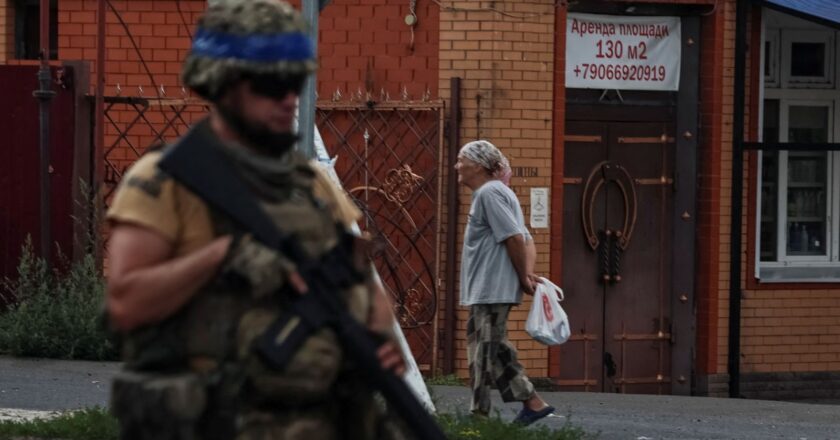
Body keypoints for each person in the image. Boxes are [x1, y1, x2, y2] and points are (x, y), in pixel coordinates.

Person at [104, 1, 406, 439]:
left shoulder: (311, 186)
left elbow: (364, 285)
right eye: (272, 83)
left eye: (295, 81)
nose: (289, 97)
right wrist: (223, 254)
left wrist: (378, 339)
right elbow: (127, 303)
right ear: (223, 84)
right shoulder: (165, 182)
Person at [455, 140, 555, 425]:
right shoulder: (498, 192)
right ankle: (533, 403)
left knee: (481, 351)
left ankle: (479, 416)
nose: (457, 166)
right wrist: (525, 273)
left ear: (478, 164)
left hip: (491, 287)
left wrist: (524, 276)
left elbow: (515, 238)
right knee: (494, 347)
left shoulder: (490, 193)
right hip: (490, 288)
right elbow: (525, 238)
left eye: (461, 160)